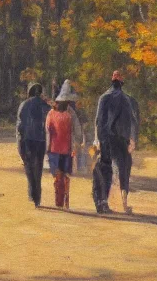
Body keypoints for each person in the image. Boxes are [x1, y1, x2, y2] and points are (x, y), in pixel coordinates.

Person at [92, 70, 139, 214]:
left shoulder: (103, 98)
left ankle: (102, 202)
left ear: (111, 82)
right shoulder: (126, 99)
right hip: (121, 139)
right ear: (121, 84)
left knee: (105, 168)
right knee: (124, 168)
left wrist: (97, 140)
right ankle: (124, 203)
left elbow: (99, 121)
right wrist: (132, 139)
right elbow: (133, 121)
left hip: (106, 138)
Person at [46, 80, 83, 209]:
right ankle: (62, 200)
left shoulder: (60, 113)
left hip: (60, 150)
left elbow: (48, 131)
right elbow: (48, 130)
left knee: (61, 175)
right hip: (60, 149)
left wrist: (76, 145)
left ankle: (62, 199)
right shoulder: (64, 113)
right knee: (62, 175)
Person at [16, 82, 51, 207]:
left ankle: (32, 192)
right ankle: (37, 196)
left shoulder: (23, 105)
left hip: (26, 140)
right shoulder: (45, 106)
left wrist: (19, 142)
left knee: (29, 166)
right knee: (38, 167)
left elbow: (19, 126)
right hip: (40, 140)